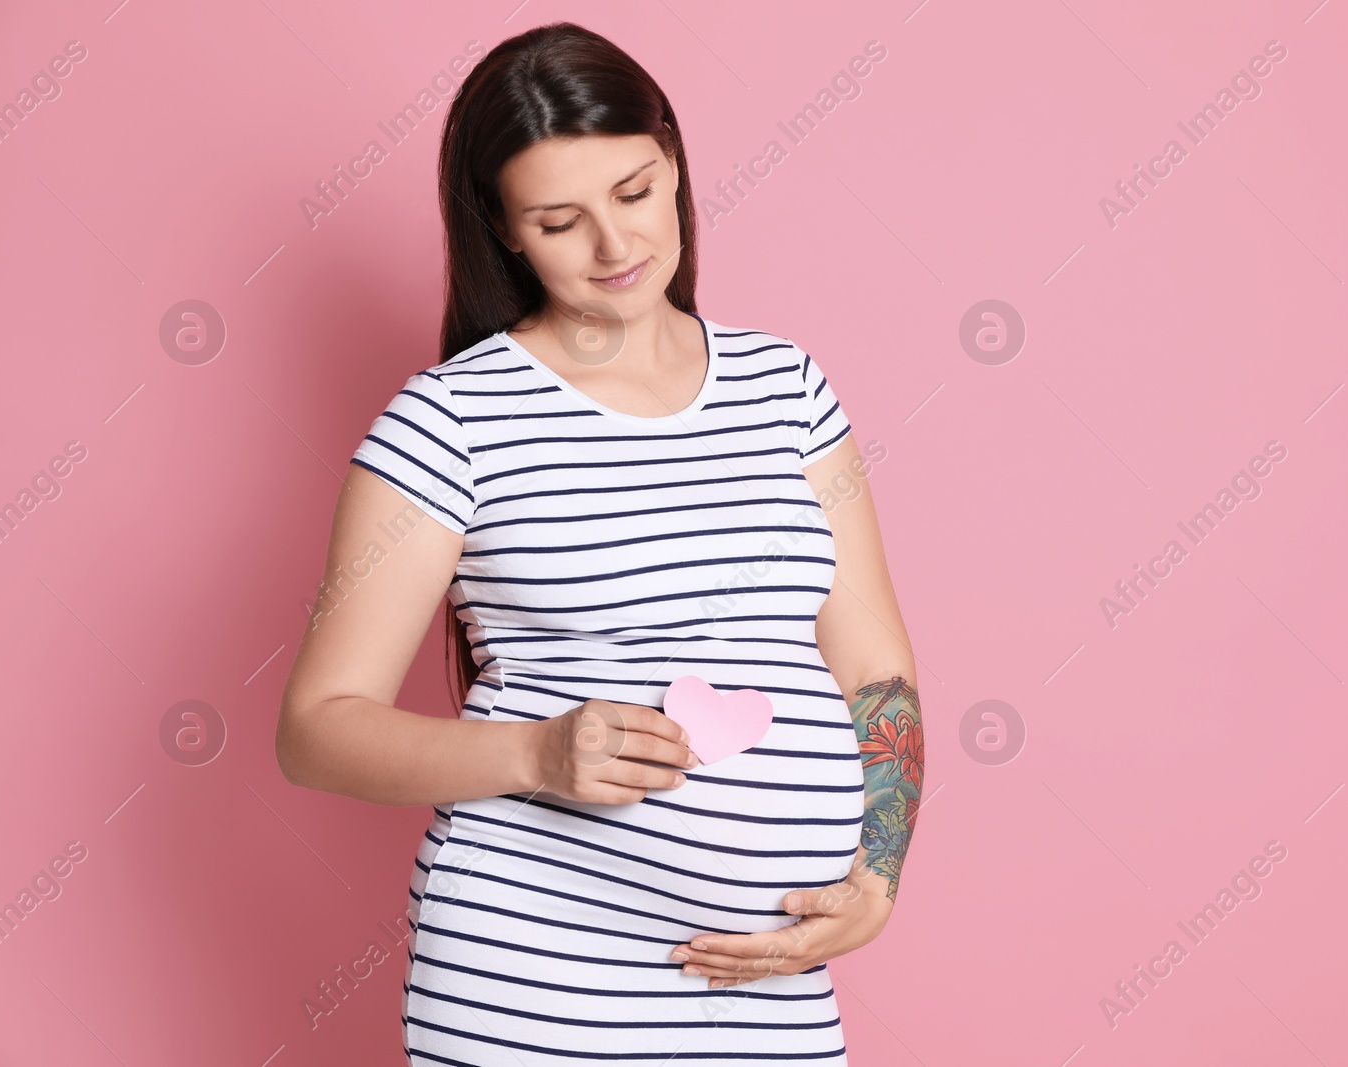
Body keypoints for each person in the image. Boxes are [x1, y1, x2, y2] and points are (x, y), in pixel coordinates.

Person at [275, 21, 923, 1066]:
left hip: (766, 979)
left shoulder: (787, 388)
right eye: (561, 219)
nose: (617, 247)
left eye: (634, 191)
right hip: (533, 980)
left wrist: (876, 878)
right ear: (504, 227)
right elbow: (314, 728)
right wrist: (535, 750)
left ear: (671, 160)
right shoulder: (449, 420)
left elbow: (875, 670)